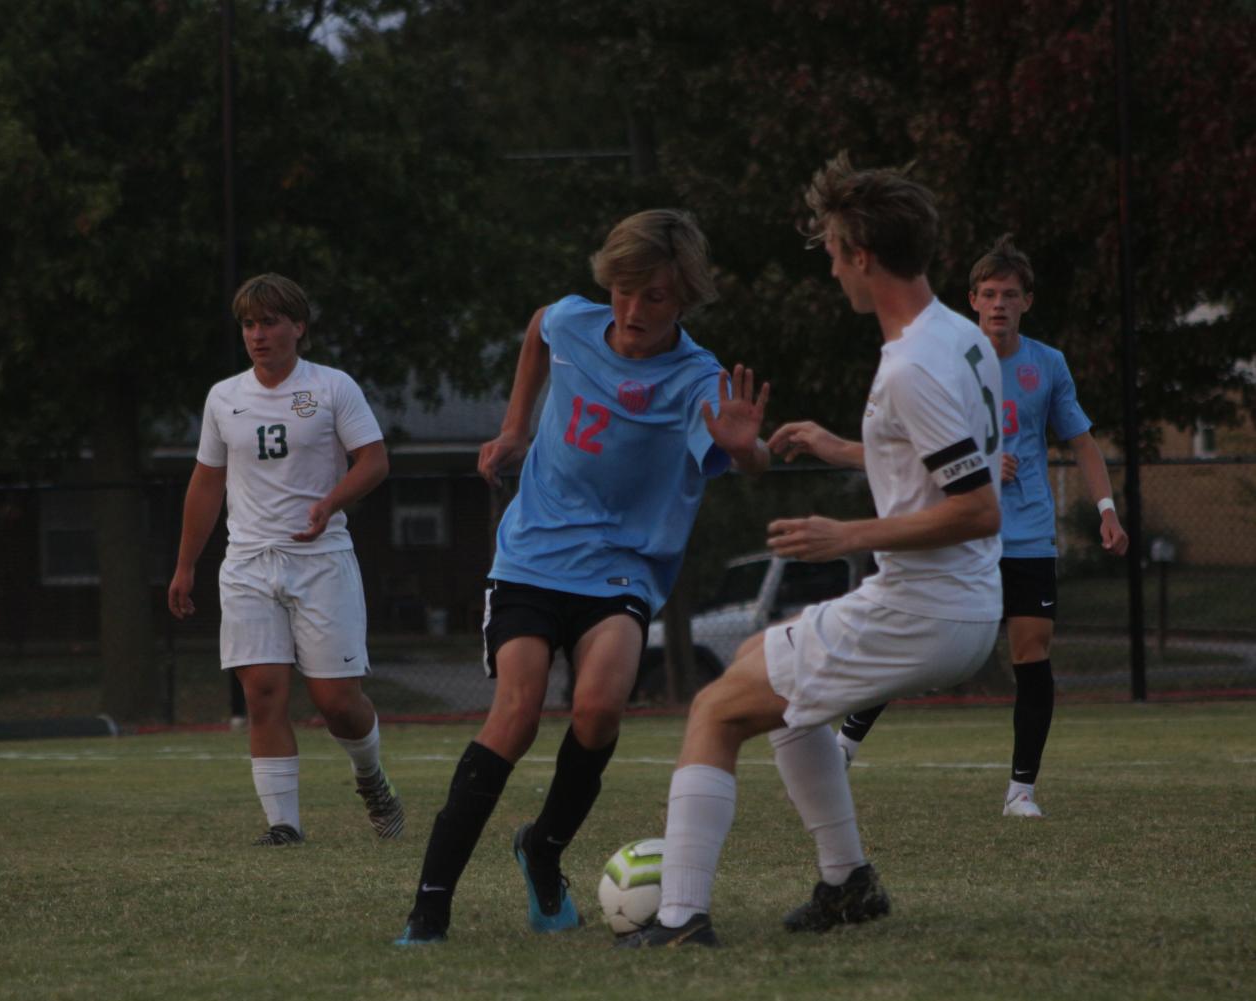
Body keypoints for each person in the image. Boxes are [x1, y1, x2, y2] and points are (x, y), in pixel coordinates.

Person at [618, 155, 1004, 948]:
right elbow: (952, 467)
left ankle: (682, 916)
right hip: (956, 602)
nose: (829, 266)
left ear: (862, 254)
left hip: (924, 609)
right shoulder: (958, 338)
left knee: (714, 710)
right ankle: (846, 881)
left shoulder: (911, 366)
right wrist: (849, 449)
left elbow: (976, 506)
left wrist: (846, 534)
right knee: (772, 672)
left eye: (832, 250)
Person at [395, 209, 771, 945]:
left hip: (622, 567)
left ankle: (542, 849)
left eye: (655, 297)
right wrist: (514, 428)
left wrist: (747, 449)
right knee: (516, 711)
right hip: (532, 555)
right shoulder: (572, 322)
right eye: (624, 290)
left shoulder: (697, 376)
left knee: (598, 709)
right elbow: (537, 328)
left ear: (684, 298)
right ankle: (428, 908)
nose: (633, 310)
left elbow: (746, 455)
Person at [835, 236, 1130, 818]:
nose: (999, 304)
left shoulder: (1048, 364)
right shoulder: (949, 361)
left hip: (1027, 535)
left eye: (1011, 295)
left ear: (1027, 302)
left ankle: (1021, 790)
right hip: (960, 528)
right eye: (989, 293)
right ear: (972, 300)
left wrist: (1106, 510)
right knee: (914, 640)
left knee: (1032, 649)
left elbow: (1083, 441)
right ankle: (842, 746)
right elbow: (912, 441)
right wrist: (978, 460)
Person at [168, 273, 402, 846]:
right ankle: (284, 827)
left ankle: (371, 778)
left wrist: (331, 503)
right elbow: (206, 481)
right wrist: (185, 564)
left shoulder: (331, 387)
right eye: (249, 324)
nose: (258, 334)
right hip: (248, 563)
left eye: (269, 322)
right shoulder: (224, 397)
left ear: (298, 326)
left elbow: (373, 460)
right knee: (262, 692)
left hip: (321, 560)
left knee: (336, 702)